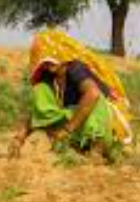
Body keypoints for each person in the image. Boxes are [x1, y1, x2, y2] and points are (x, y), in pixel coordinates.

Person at [9, 30, 133, 161]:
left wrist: (67, 130)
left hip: (101, 123)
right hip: (76, 122)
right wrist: (20, 137)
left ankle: (97, 149)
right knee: (41, 90)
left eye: (51, 57)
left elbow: (93, 94)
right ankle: (73, 145)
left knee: (96, 100)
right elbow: (39, 109)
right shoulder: (49, 78)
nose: (48, 63)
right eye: (44, 59)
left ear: (62, 54)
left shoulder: (75, 69)